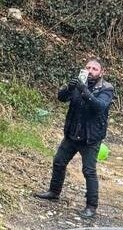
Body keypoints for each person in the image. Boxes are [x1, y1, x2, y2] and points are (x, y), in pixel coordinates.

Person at [33, 59, 114, 218]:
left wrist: (84, 90)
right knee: (58, 162)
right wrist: (69, 88)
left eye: (94, 69)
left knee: (89, 171)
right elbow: (61, 98)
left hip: (90, 137)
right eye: (88, 67)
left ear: (101, 72)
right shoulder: (79, 83)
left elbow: (99, 107)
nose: (90, 71)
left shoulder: (106, 88)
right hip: (72, 133)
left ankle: (91, 206)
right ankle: (54, 192)